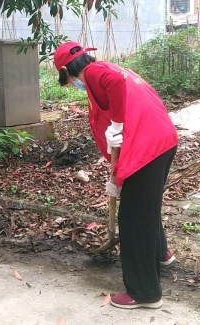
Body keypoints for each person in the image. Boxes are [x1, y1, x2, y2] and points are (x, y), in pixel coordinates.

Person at [54, 41, 179, 309]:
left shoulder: (96, 73)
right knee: (145, 207)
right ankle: (161, 254)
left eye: (66, 79)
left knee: (133, 218)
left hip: (147, 147)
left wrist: (119, 124)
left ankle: (145, 293)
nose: (73, 85)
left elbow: (115, 87)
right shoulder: (110, 68)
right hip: (160, 140)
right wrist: (117, 178)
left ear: (66, 69)